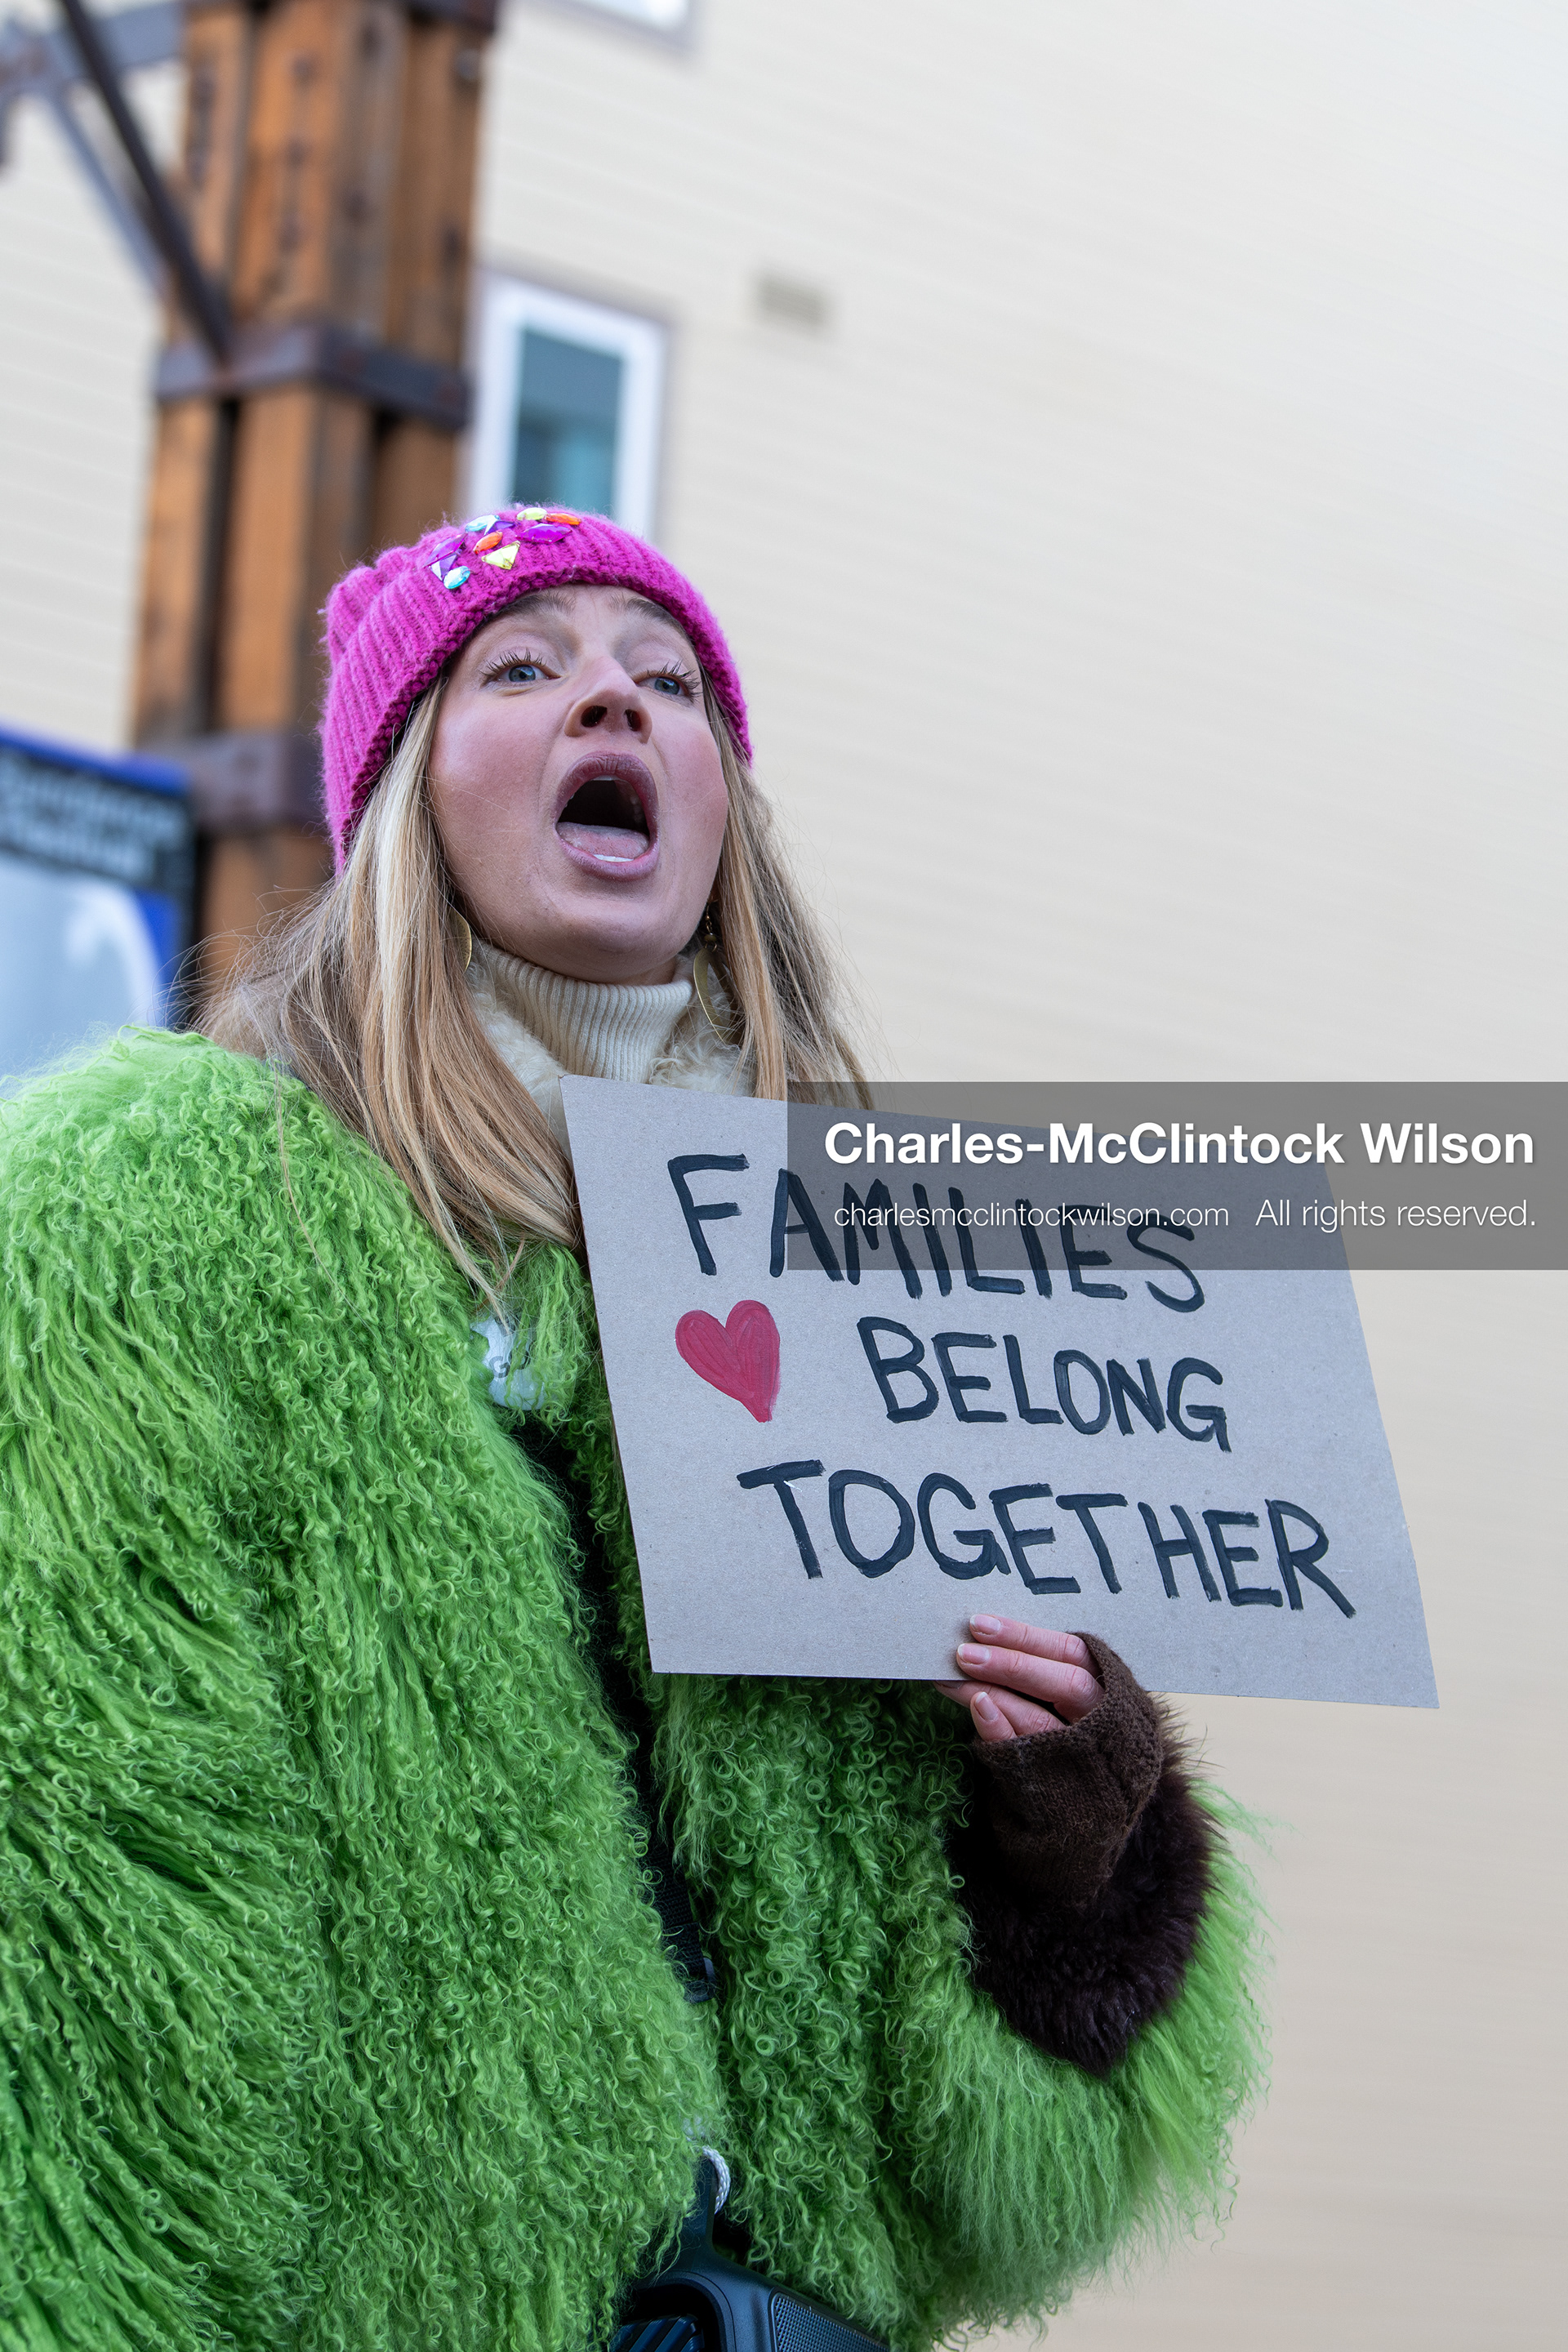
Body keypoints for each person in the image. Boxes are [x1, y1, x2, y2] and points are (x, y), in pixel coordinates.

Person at [0, 509, 1263, 2352]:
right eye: (521, 668)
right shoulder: (151, 1222)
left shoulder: (877, 1299)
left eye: (665, 681)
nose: (611, 690)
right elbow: (92, 1934)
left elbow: (978, 2198)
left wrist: (1078, 1850)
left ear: (719, 817)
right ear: (406, 804)